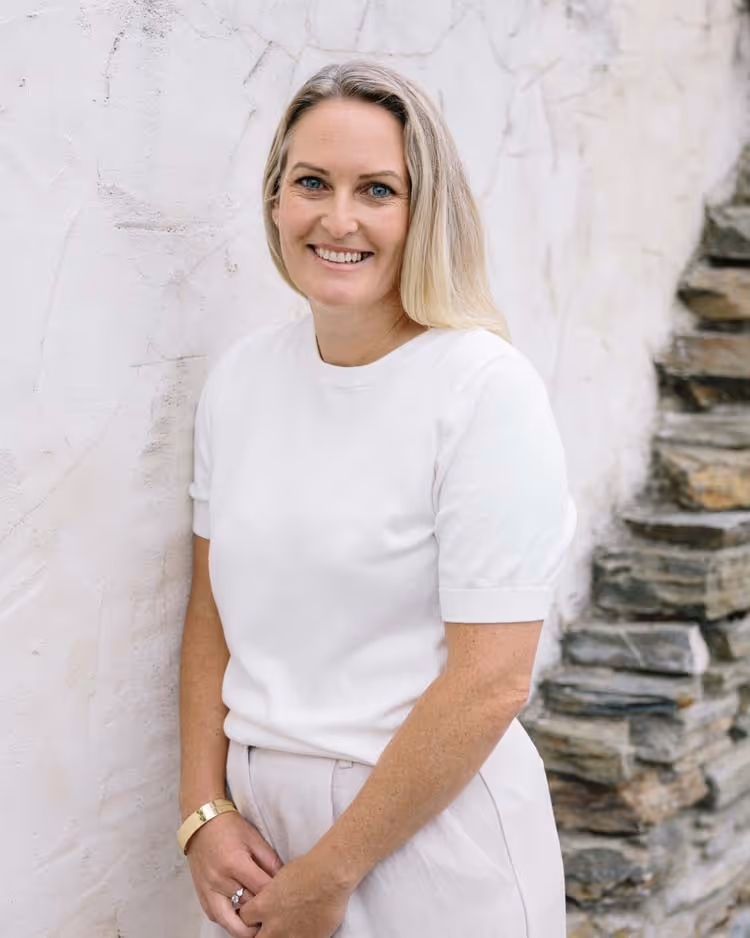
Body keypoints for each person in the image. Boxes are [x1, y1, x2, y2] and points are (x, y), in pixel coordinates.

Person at [178, 59, 577, 938]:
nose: (339, 218)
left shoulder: (481, 390)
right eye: (312, 182)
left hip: (431, 841)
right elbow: (211, 609)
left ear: (423, 208)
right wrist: (203, 811)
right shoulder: (241, 381)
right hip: (258, 844)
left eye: (378, 190)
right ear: (275, 198)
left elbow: (492, 680)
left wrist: (336, 868)